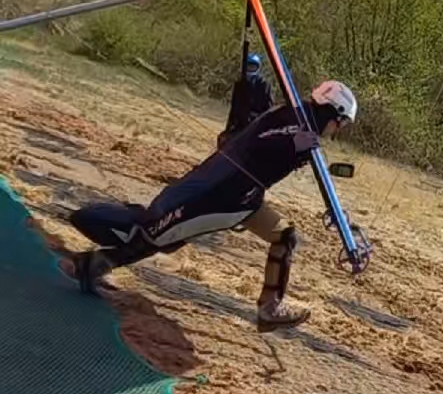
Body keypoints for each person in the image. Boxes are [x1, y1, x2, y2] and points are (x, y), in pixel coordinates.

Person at [68, 80, 358, 333]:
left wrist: (300, 147)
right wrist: (295, 143)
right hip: (221, 194)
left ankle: (270, 309)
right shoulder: (294, 118)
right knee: (162, 236)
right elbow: (261, 143)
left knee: (285, 236)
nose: (337, 130)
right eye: (341, 124)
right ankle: (93, 264)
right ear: (335, 114)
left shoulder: (302, 124)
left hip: (246, 199)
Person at [218, 51, 272, 147]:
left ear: (258, 67)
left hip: (256, 125)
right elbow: (234, 108)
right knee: (223, 140)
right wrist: (228, 128)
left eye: (253, 66)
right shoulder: (239, 84)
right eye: (249, 66)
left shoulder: (264, 85)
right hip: (240, 125)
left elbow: (268, 109)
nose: (250, 69)